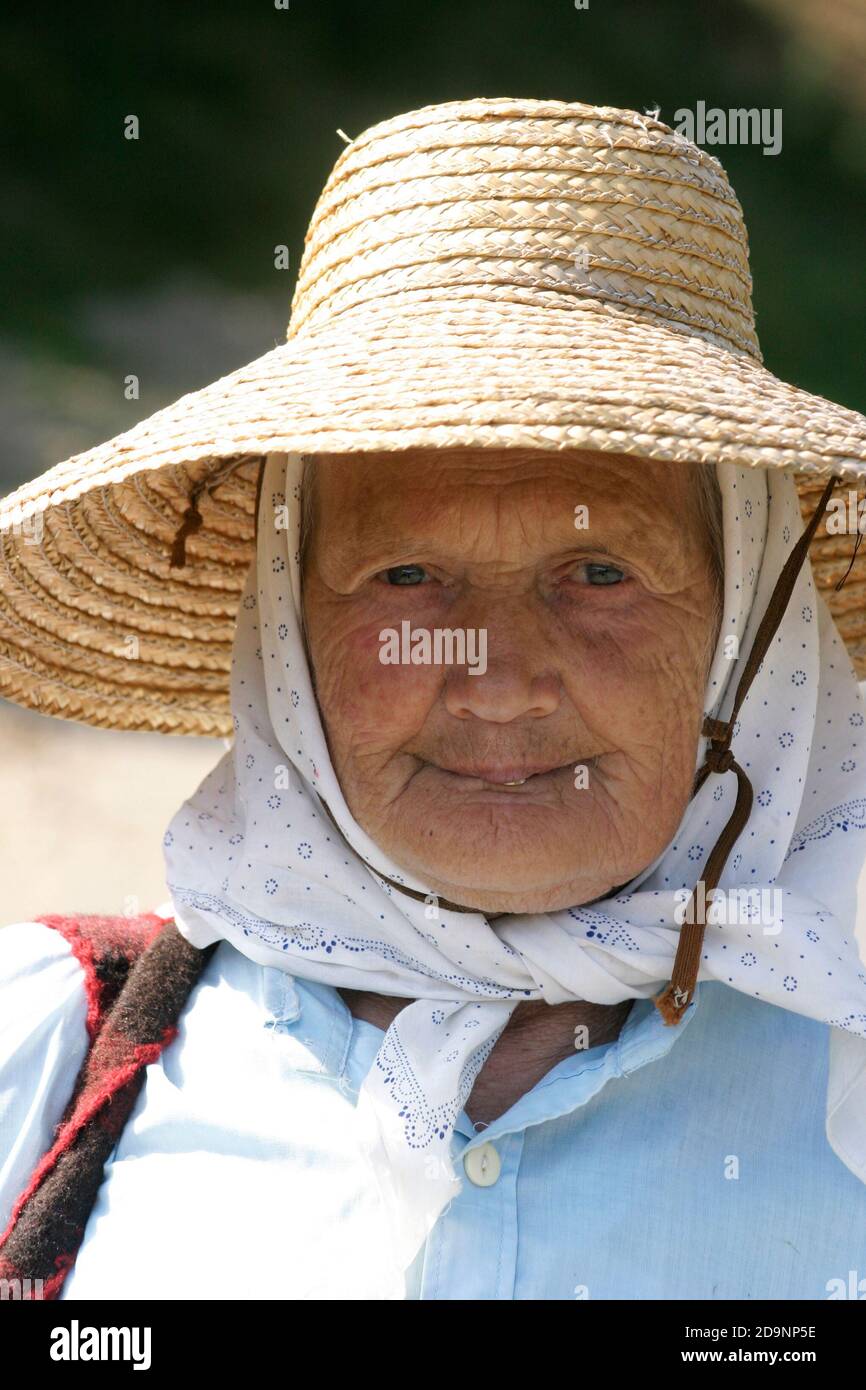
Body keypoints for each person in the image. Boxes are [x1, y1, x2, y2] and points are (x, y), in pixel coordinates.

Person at [1, 97, 866, 1301]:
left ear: (743, 633)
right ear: (288, 634)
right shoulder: (49, 1061)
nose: (500, 683)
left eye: (597, 573)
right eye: (407, 577)